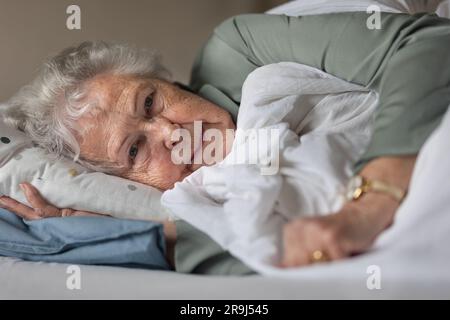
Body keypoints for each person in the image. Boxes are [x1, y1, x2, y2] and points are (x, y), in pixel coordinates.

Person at [1, 11, 450, 274]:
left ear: (164, 78)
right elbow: (260, 253)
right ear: (124, 183)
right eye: (135, 150)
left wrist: (372, 198)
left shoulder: (236, 52)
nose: (172, 134)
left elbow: (429, 42)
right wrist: (113, 234)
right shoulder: (193, 205)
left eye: (151, 101)